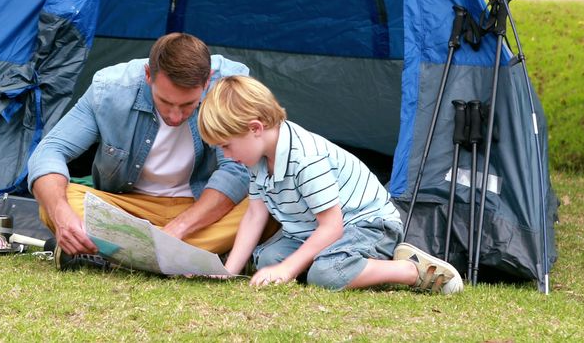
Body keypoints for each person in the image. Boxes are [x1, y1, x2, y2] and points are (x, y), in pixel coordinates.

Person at [198, 75, 463, 294]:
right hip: (311, 232)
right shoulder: (255, 160)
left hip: (366, 225)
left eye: (227, 146)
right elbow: (255, 214)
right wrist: (228, 271)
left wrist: (289, 269)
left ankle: (409, 270)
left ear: (255, 128)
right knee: (268, 260)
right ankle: (343, 267)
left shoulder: (304, 158)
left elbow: (332, 226)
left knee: (326, 274)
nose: (227, 156)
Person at [28, 33, 251, 258]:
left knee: (263, 206)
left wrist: (178, 229)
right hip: (129, 209)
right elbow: (50, 150)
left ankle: (118, 252)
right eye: (164, 101)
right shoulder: (110, 88)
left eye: (188, 104)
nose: (175, 117)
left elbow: (236, 171)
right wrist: (61, 214)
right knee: (57, 198)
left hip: (201, 207)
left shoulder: (229, 87)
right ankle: (182, 255)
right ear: (148, 75)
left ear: (207, 80)